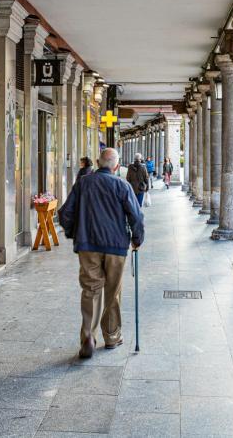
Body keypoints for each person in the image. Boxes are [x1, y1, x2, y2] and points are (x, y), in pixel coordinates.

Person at [58, 148, 144, 359]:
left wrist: (73, 233)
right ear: (116, 166)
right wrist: (136, 239)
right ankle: (112, 336)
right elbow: (136, 216)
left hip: (88, 246)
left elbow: (65, 213)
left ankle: (88, 335)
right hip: (116, 247)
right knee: (112, 292)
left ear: (97, 162)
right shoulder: (122, 185)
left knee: (90, 290)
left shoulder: (83, 183)